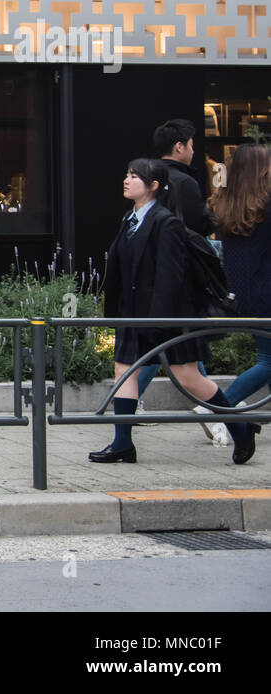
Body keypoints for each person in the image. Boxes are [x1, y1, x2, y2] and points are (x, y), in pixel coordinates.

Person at [90, 158, 255, 464]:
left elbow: (170, 276)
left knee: (190, 378)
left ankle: (240, 426)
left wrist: (159, 319)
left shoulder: (166, 223)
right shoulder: (130, 219)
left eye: (134, 176)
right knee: (124, 371)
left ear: (153, 186)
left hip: (165, 314)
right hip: (133, 313)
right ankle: (122, 444)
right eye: (126, 174)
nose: (126, 180)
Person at [135, 118, 218, 436]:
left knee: (173, 345)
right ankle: (216, 410)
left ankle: (211, 409)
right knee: (176, 342)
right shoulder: (185, 182)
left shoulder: (145, 175)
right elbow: (196, 229)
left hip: (151, 273)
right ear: (179, 146)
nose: (195, 150)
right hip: (178, 275)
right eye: (192, 144)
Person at [208, 143, 271, 465]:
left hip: (244, 294)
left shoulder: (227, 202)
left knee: (268, 357)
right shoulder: (267, 203)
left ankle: (226, 412)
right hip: (267, 292)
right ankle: (221, 406)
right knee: (268, 361)